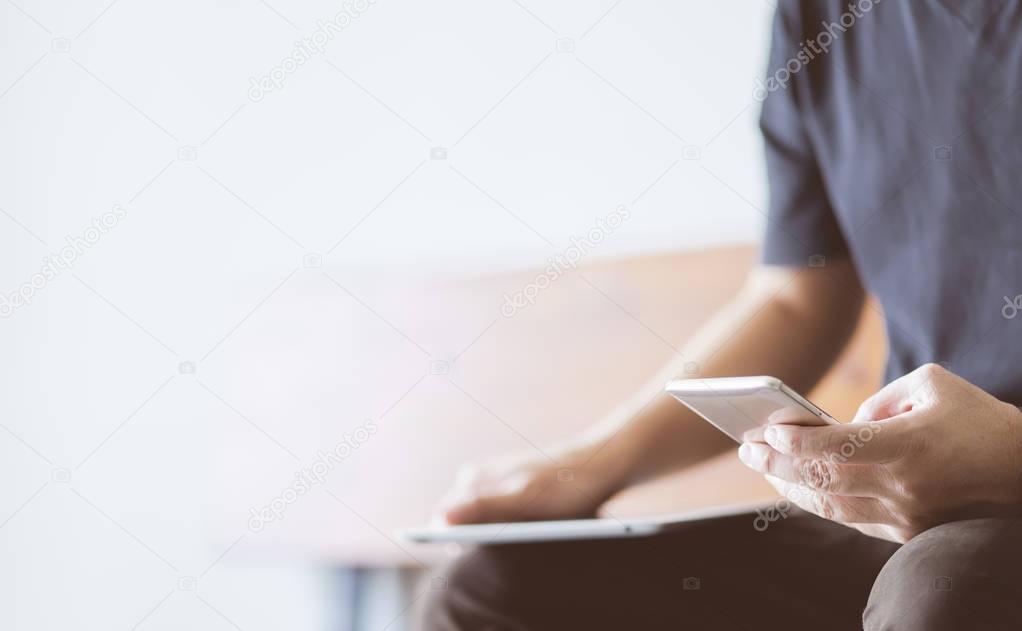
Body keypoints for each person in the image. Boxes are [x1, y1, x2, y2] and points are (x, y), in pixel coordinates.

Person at [418, 1, 1022, 629]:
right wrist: (592, 465)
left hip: (962, 563)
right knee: (496, 590)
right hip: (897, 520)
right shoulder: (819, 16)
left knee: (950, 580)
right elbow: (795, 298)